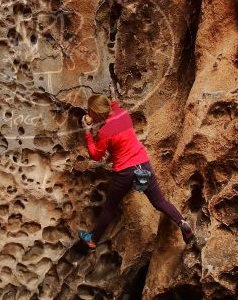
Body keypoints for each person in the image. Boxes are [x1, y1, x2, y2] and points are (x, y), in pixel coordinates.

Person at [78, 94, 195, 249]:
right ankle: (182, 223)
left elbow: (96, 155)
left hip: (124, 172)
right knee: (159, 201)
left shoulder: (105, 132)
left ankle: (92, 239)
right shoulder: (123, 114)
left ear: (95, 114)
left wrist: (87, 132)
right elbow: (114, 105)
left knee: (110, 208)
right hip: (143, 164)